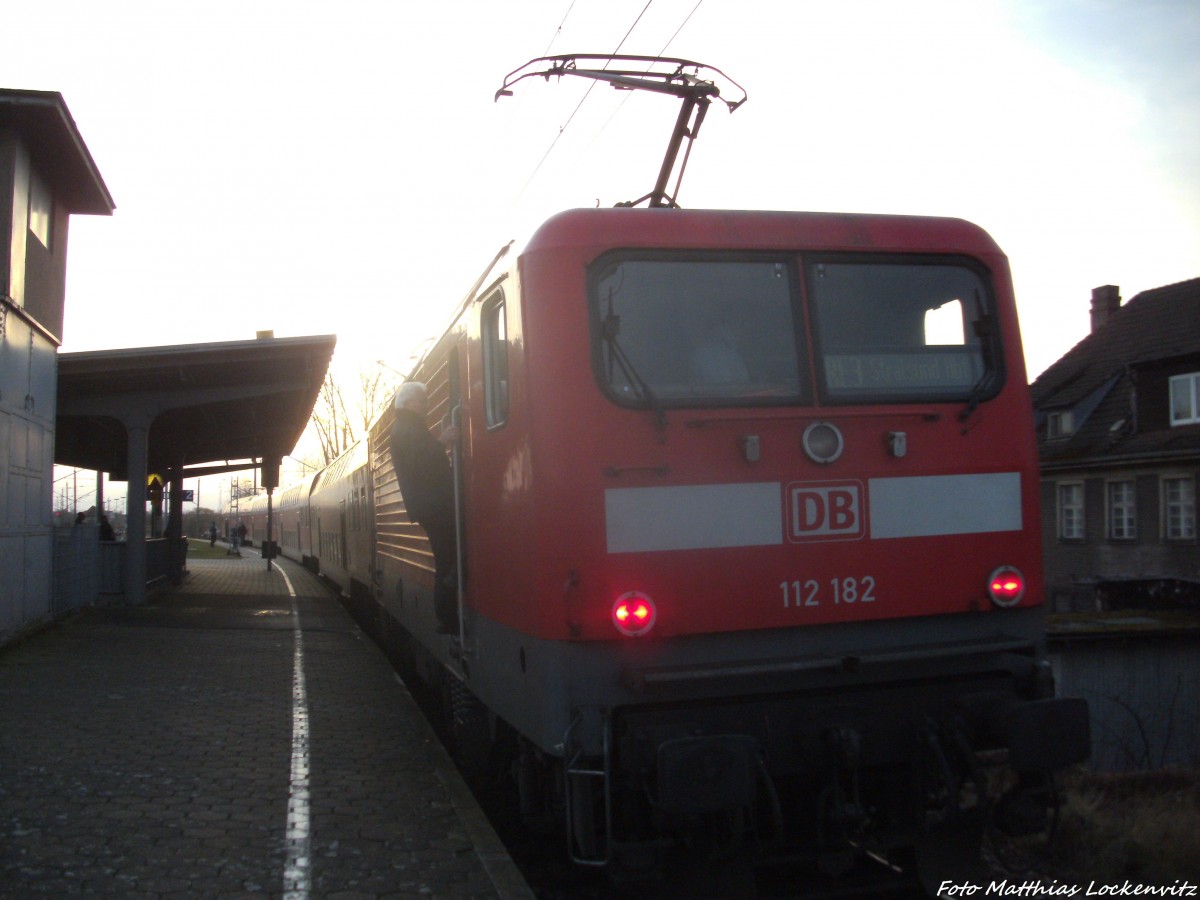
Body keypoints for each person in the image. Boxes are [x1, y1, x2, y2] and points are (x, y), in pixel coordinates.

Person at [389, 381, 460, 634]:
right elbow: (421, 463)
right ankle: (447, 616)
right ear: (408, 403)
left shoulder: (407, 426)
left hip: (429, 504)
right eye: (422, 400)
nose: (426, 405)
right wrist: (442, 441)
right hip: (433, 505)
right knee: (448, 556)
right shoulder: (406, 428)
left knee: (447, 555)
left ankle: (448, 612)